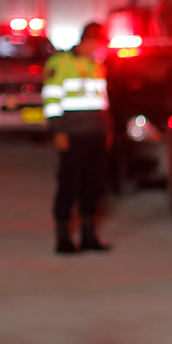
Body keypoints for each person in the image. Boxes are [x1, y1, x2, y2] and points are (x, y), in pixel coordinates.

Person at [43, 22, 112, 254]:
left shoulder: (96, 65)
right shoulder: (60, 63)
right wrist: (59, 131)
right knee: (69, 184)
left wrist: (106, 130)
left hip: (95, 135)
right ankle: (63, 237)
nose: (98, 48)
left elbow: (101, 102)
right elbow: (51, 100)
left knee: (94, 186)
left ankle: (88, 235)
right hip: (72, 135)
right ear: (86, 40)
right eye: (96, 43)